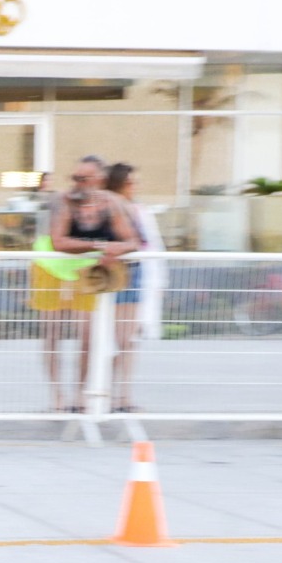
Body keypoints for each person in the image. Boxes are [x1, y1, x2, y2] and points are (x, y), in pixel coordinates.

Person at [40, 156, 141, 412]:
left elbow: (132, 240)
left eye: (83, 178)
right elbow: (59, 242)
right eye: (74, 178)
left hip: (86, 272)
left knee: (86, 335)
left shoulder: (111, 203)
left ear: (99, 180)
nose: (77, 183)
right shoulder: (63, 202)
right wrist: (100, 246)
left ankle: (80, 394)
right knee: (52, 333)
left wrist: (116, 249)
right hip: (52, 268)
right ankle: (58, 396)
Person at [104, 162, 167, 412]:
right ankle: (104, 393)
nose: (135, 187)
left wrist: (158, 281)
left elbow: (151, 245)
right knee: (109, 339)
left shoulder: (140, 211)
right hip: (111, 276)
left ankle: (123, 396)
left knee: (128, 340)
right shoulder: (107, 208)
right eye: (131, 182)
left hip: (136, 273)